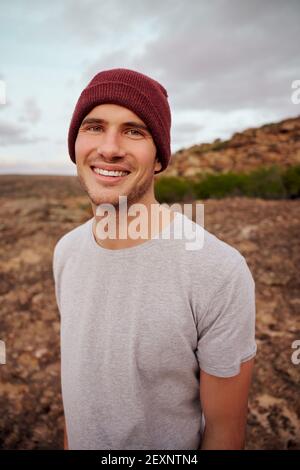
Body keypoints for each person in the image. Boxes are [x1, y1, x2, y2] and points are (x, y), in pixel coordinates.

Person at [52, 68, 257, 450]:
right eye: (94, 127)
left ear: (160, 157)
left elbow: (225, 434)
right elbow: (78, 397)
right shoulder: (66, 252)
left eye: (134, 131)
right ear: (75, 144)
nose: (109, 148)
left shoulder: (218, 271)